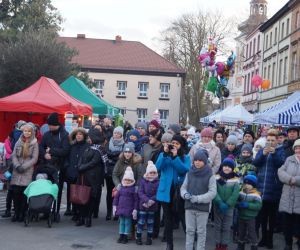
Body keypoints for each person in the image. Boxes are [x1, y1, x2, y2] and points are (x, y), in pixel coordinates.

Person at [156, 134, 190, 250]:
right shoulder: (163, 154)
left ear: (181, 145)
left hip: (178, 191)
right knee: (167, 218)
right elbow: (158, 167)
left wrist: (175, 158)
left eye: (177, 143)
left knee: (182, 216)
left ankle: (190, 242)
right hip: (165, 191)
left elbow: (184, 170)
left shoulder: (185, 157)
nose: (174, 145)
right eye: (173, 143)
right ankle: (169, 244)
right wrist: (165, 154)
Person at [253, 129, 285, 249]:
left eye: (273, 140)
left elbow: (280, 164)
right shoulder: (262, 150)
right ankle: (263, 238)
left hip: (274, 189)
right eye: (268, 140)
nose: (270, 142)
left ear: (277, 140)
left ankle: (270, 239)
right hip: (261, 188)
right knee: (262, 217)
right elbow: (255, 162)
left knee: (272, 218)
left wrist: (274, 153)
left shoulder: (281, 151)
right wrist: (263, 154)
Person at [180, 149, 217, 250]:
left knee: (201, 232)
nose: (197, 162)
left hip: (203, 208)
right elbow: (183, 188)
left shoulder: (210, 175)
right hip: (189, 206)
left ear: (204, 161)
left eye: (200, 160)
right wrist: (185, 194)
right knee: (189, 231)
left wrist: (197, 199)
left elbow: (212, 193)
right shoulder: (189, 173)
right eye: (196, 160)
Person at [39, 112, 70, 220]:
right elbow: (41, 146)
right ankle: (46, 211)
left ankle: (56, 212)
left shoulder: (65, 135)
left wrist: (51, 151)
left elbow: (65, 151)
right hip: (47, 165)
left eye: (50, 125)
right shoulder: (47, 134)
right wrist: (45, 154)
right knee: (46, 188)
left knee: (57, 189)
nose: (48, 127)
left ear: (55, 124)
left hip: (60, 167)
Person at [76, 128, 107, 227]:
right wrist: (80, 166)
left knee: (90, 198)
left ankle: (88, 217)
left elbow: (94, 162)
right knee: (81, 196)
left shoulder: (99, 149)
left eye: (89, 137)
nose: (88, 139)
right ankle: (81, 217)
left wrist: (82, 167)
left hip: (93, 178)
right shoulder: (88, 147)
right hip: (83, 176)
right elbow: (81, 158)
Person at [11, 123, 39, 222]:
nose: (26, 133)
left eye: (28, 131)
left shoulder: (35, 143)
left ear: (32, 132)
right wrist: (17, 165)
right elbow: (14, 155)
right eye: (25, 131)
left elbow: (34, 158)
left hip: (27, 171)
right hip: (17, 170)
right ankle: (16, 213)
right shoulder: (18, 141)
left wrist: (24, 167)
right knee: (15, 193)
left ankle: (22, 213)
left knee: (24, 194)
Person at [278, 139, 300, 250]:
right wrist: (289, 179)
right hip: (288, 196)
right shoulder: (289, 159)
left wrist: (295, 180)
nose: (298, 150)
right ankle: (288, 244)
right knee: (287, 223)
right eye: (296, 148)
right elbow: (280, 172)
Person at [213, 157, 240, 250]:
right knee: (218, 226)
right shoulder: (216, 177)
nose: (227, 168)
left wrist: (228, 204)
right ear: (222, 166)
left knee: (226, 227)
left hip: (229, 207)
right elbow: (214, 191)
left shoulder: (236, 179)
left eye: (229, 166)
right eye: (225, 166)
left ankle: (224, 244)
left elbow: (235, 193)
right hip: (218, 206)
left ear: (232, 168)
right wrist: (219, 202)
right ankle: (217, 244)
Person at [64, 128, 89, 220]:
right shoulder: (72, 146)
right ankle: (71, 209)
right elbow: (66, 158)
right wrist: (67, 166)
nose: (78, 136)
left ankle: (79, 212)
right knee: (71, 192)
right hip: (71, 172)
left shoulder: (87, 146)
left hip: (81, 173)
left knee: (80, 192)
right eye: (77, 134)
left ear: (84, 136)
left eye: (80, 134)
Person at [136, 161, 159, 245]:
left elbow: (158, 194)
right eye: (151, 172)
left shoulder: (157, 182)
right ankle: (138, 237)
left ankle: (149, 238)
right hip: (143, 205)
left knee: (150, 222)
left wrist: (151, 201)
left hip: (152, 206)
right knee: (141, 222)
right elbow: (140, 192)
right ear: (147, 172)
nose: (152, 174)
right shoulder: (143, 181)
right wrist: (146, 200)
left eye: (154, 172)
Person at [236, 175, 262, 250]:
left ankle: (254, 246)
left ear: (253, 185)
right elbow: (237, 200)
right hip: (241, 216)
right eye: (245, 184)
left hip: (251, 217)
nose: (247, 185)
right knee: (241, 232)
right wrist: (238, 204)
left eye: (249, 184)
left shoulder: (256, 195)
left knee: (251, 233)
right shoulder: (241, 192)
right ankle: (240, 246)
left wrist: (248, 205)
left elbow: (258, 206)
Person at [113, 166, 138, 244]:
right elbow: (116, 198)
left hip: (129, 210)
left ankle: (125, 236)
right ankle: (121, 235)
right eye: (126, 180)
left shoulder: (133, 190)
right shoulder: (121, 189)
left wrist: (135, 209)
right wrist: (114, 206)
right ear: (123, 180)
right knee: (121, 223)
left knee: (127, 223)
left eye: (129, 180)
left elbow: (136, 201)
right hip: (121, 209)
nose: (127, 181)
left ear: (132, 181)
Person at [105, 126, 125, 220]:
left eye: (118, 133)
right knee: (109, 192)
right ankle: (109, 212)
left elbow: (122, 156)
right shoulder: (108, 142)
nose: (116, 135)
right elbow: (107, 153)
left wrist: (112, 155)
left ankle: (116, 211)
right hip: (109, 171)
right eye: (115, 133)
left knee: (118, 192)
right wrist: (116, 154)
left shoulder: (124, 144)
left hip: (119, 171)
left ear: (121, 134)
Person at [1, 132, 13, 218]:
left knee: (10, 190)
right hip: (8, 163)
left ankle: (8, 210)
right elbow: (9, 151)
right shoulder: (7, 141)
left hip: (9, 164)